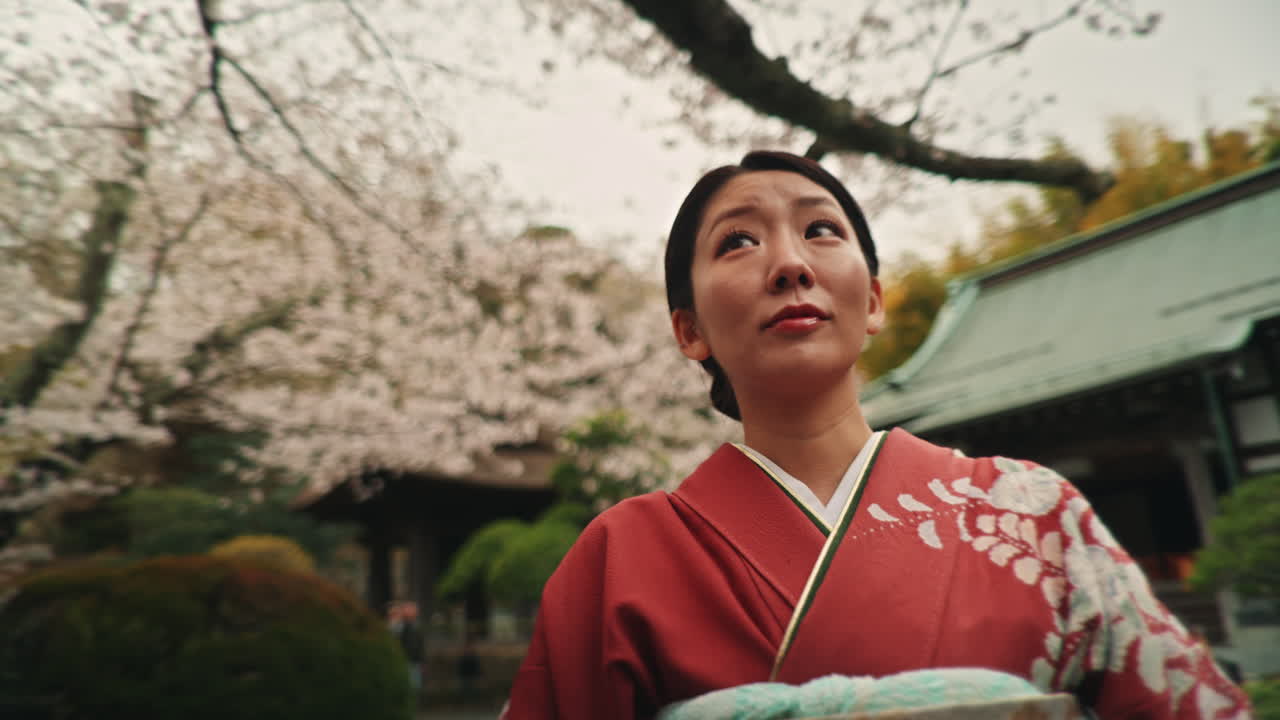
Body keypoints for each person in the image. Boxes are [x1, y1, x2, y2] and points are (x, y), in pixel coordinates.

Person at [503, 151, 1250, 719]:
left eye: (821, 231)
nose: (791, 265)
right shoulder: (621, 556)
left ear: (876, 301)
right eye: (737, 243)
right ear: (688, 330)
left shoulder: (1036, 514)